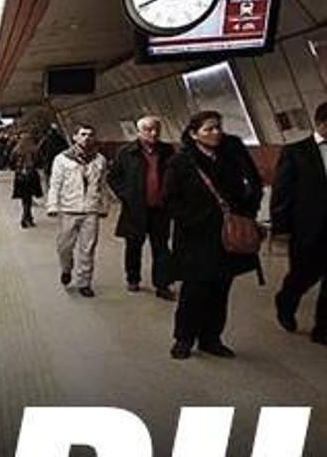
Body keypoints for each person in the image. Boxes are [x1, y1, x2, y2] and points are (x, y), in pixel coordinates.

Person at [163, 111, 264, 359]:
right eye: (209, 129)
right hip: (196, 236)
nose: (216, 133)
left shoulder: (232, 154)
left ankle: (211, 338)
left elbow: (254, 184)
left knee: (220, 288)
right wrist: (193, 219)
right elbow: (170, 199)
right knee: (194, 289)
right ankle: (184, 338)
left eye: (218, 127)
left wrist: (246, 213)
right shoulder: (181, 161)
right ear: (194, 133)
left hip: (227, 235)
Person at [272, 101, 327, 345]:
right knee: (302, 275)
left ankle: (322, 329)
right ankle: (286, 301)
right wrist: (281, 228)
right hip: (307, 228)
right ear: (321, 123)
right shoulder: (296, 151)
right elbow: (282, 192)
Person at [107, 115, 177, 299]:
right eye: (148, 129)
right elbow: (113, 177)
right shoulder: (126, 152)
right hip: (135, 209)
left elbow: (175, 176)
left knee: (161, 248)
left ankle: (162, 285)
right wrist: (126, 196)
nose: (153, 133)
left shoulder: (168, 151)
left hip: (160, 209)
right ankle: (133, 278)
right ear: (138, 132)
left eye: (156, 129)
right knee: (133, 246)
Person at [46, 123, 108, 297]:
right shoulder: (62, 159)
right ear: (75, 137)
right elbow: (55, 184)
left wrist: (103, 206)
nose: (87, 138)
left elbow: (103, 185)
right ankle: (66, 268)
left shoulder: (100, 160)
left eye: (90, 135)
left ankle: (84, 282)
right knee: (64, 247)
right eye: (83, 134)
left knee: (88, 248)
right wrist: (52, 205)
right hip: (68, 208)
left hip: (90, 210)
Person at [10, 134, 43, 228]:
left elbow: (11, 162)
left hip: (20, 176)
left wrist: (17, 168)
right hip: (32, 176)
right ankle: (26, 217)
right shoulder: (35, 149)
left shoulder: (16, 149)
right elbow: (39, 162)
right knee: (28, 198)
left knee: (24, 199)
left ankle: (27, 217)